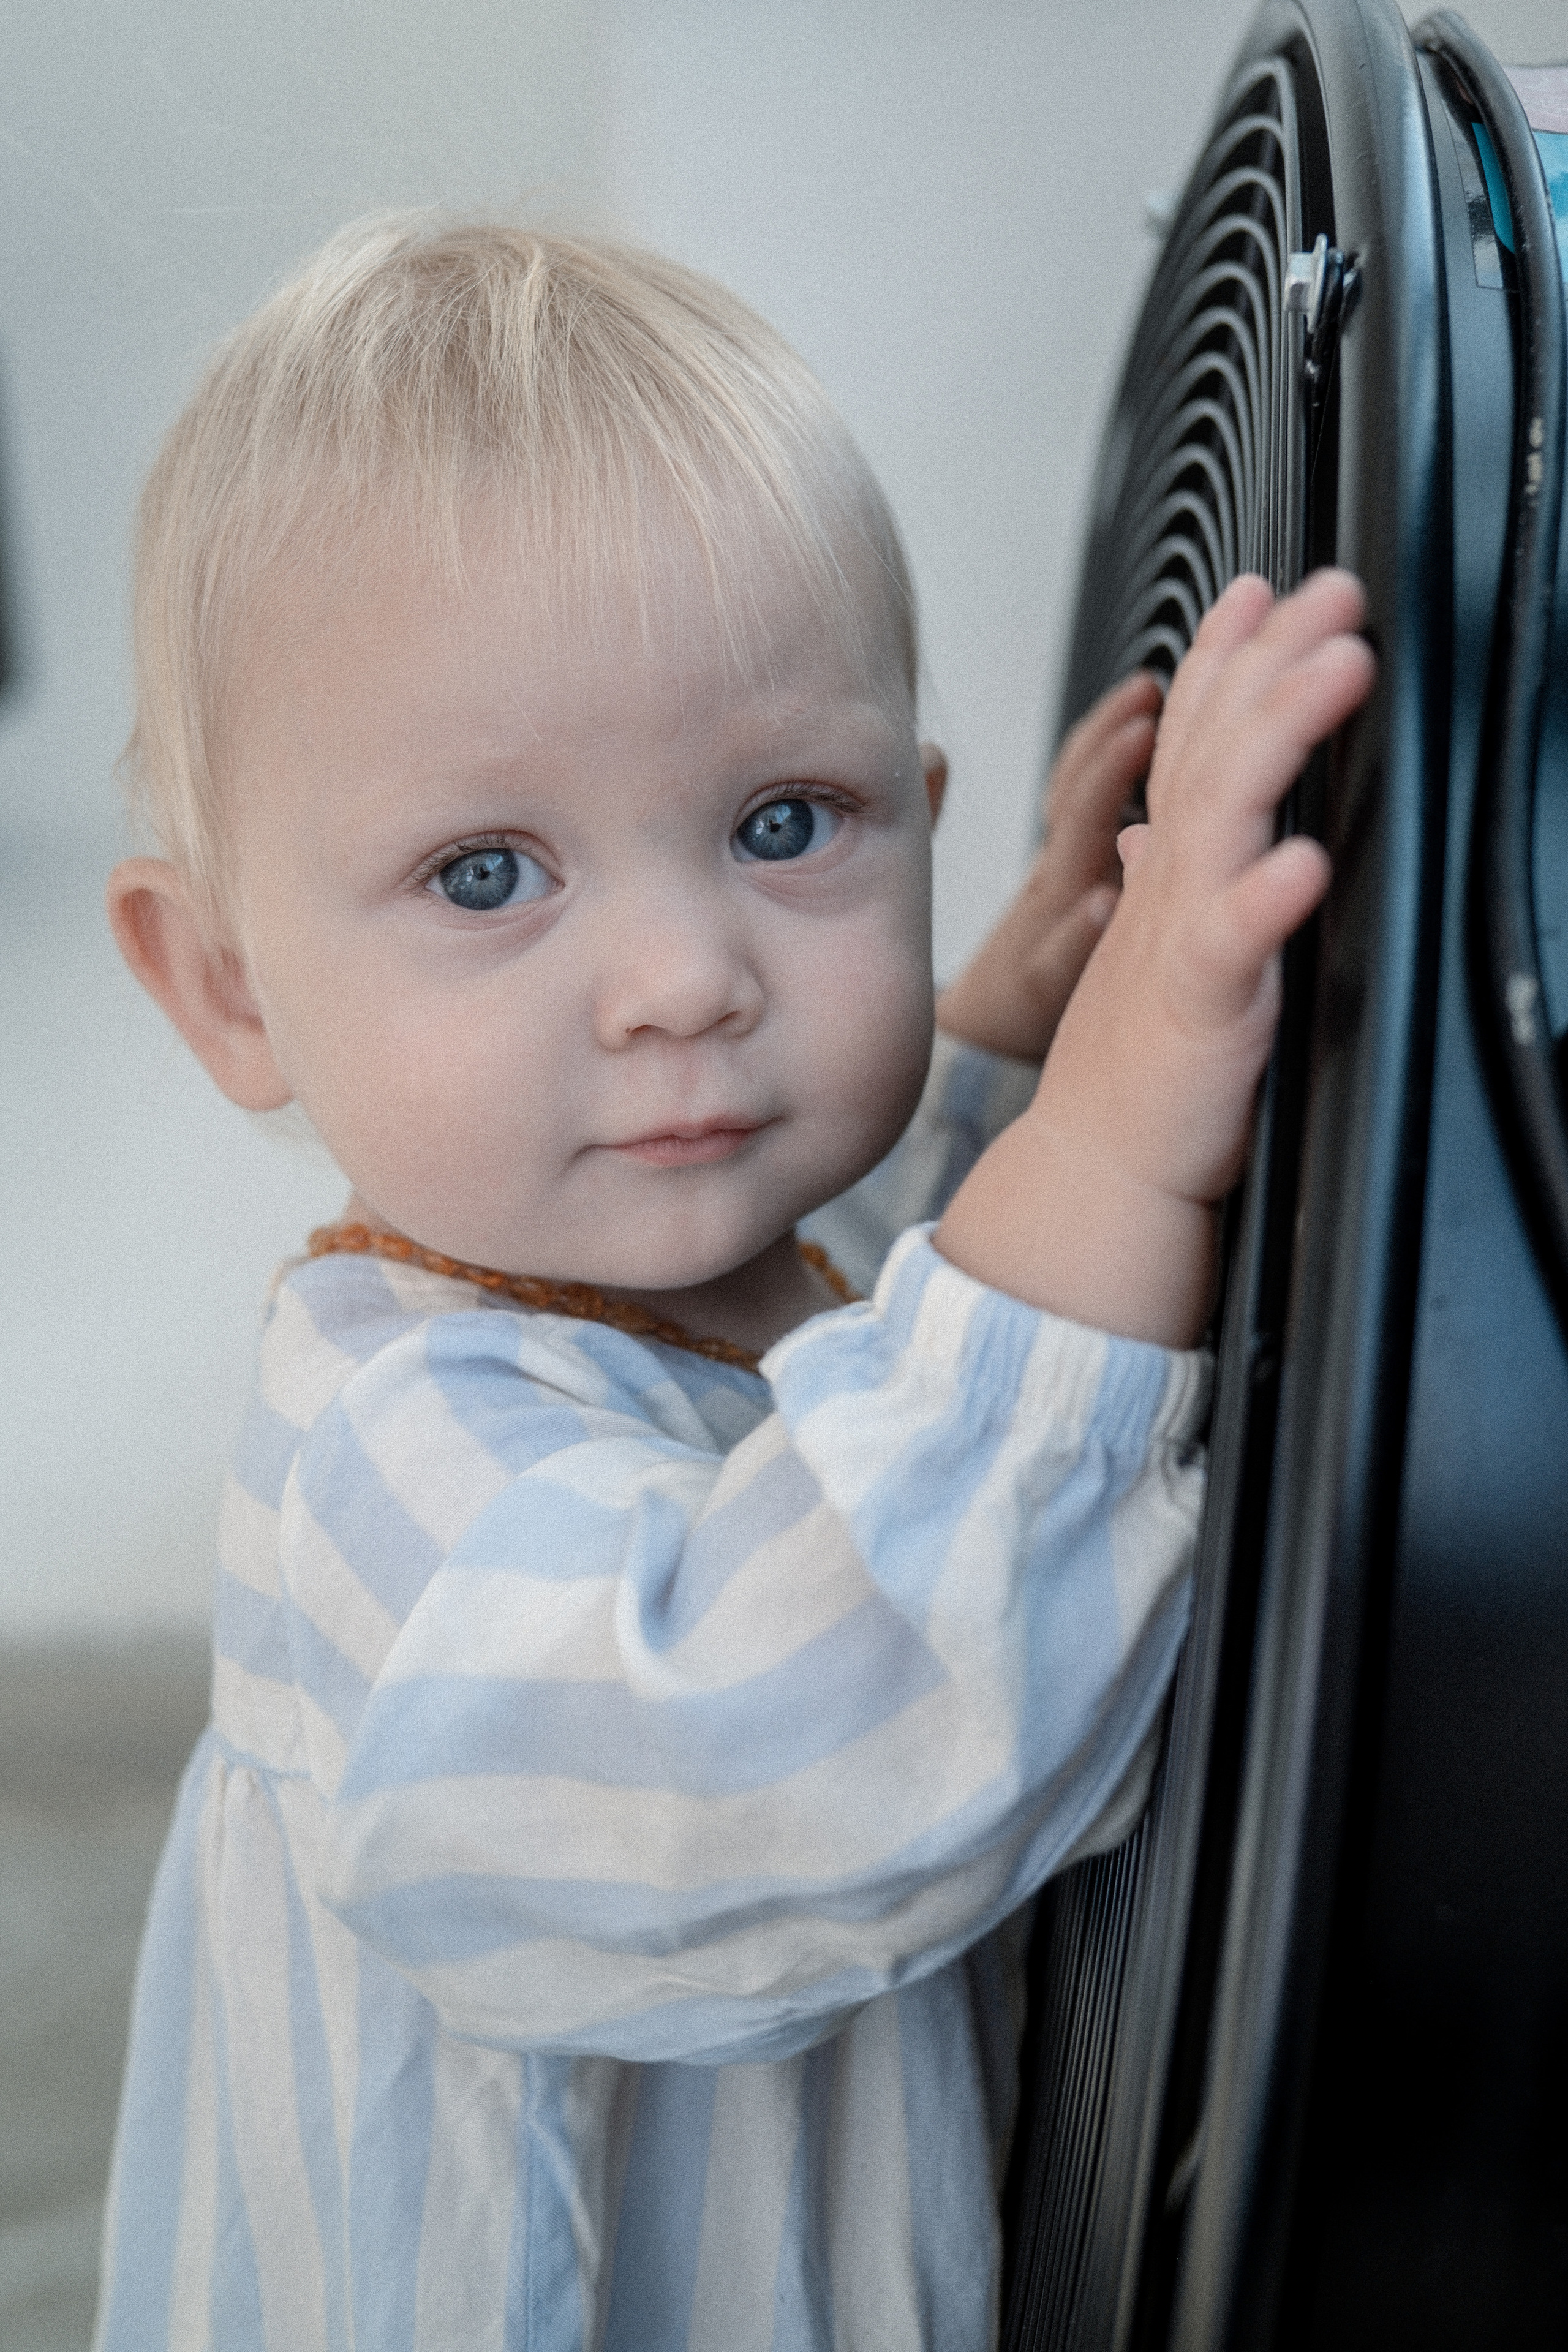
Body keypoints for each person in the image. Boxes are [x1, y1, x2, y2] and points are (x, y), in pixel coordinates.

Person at [95, 218, 1374, 2352]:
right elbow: (777, 1736)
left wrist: (996, 1063)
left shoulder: (702, 1267)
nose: (689, 979)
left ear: (926, 817)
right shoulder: (383, 1466)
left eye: (792, 822)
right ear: (231, 990)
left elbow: (856, 1341)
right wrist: (1126, 1135)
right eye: (488, 874)